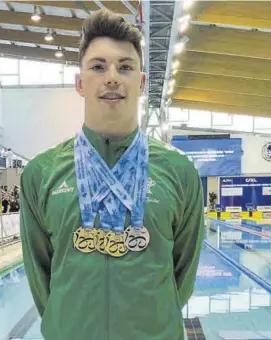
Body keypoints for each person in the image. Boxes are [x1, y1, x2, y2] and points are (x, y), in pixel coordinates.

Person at [20, 10, 204, 340]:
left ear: (142, 81)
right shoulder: (41, 173)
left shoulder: (180, 172)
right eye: (98, 66)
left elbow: (183, 273)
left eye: (125, 67)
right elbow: (40, 273)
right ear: (80, 82)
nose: (112, 77)